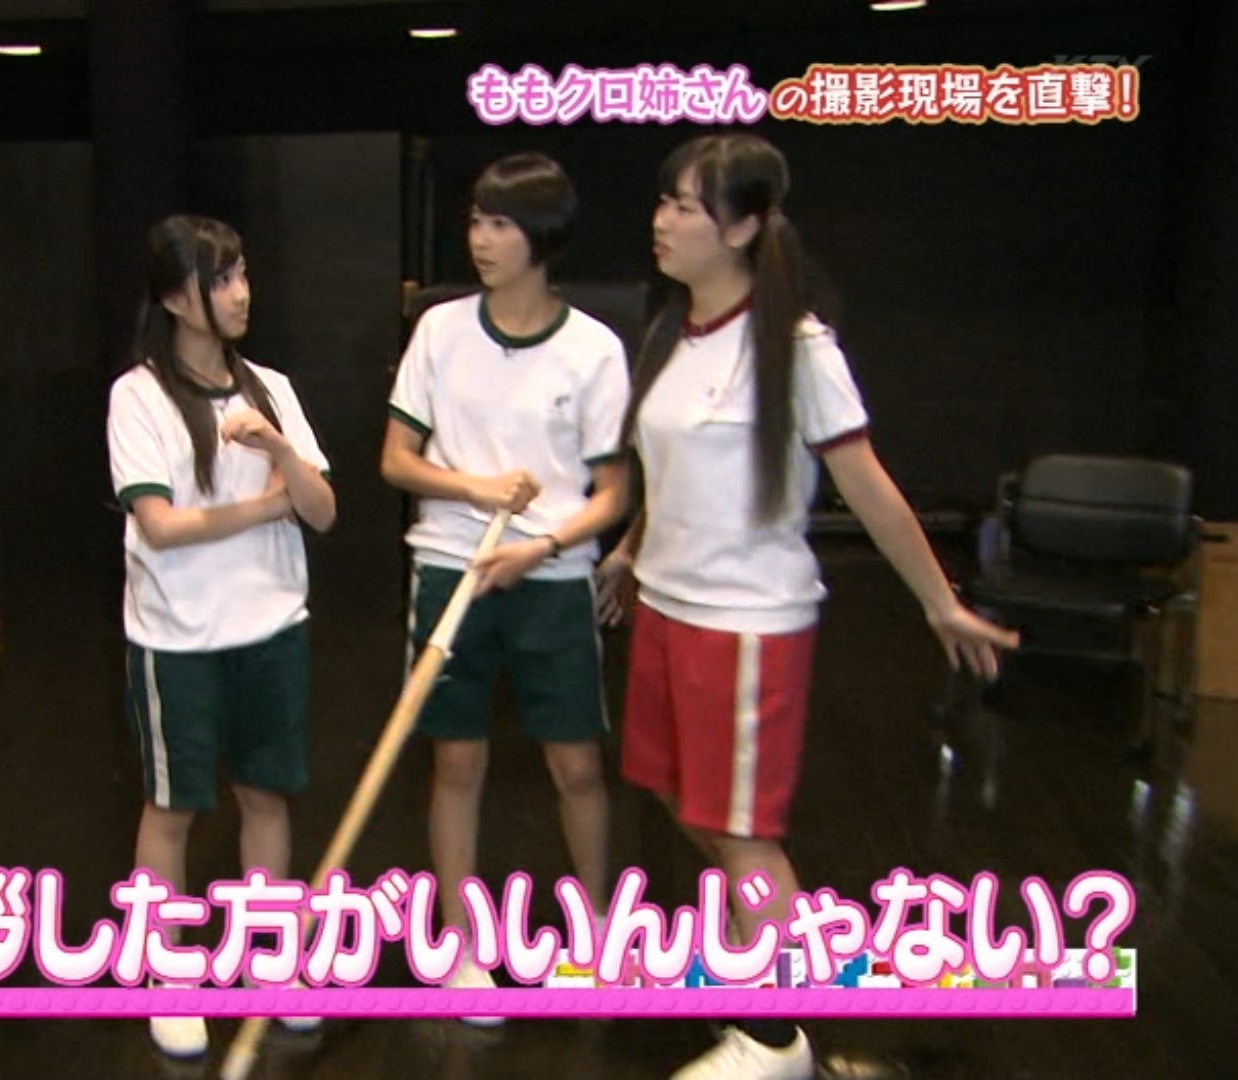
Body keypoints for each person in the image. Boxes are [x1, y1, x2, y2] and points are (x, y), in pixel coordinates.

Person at [597, 132, 1019, 1080]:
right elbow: (672, 470)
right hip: (667, 608)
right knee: (681, 801)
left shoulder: (797, 349)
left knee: (745, 835)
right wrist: (629, 551)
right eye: (663, 201)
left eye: (686, 207)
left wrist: (941, 604)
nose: (662, 221)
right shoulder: (669, 335)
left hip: (748, 625)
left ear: (744, 226)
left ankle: (778, 1037)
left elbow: (868, 487)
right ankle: (772, 953)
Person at [380, 152, 630, 1022]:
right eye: (476, 221)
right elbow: (396, 460)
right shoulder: (440, 331)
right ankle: (462, 948)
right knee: (456, 759)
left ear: (543, 238)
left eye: (500, 225)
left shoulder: (593, 349)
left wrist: (544, 545)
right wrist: (478, 489)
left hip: (551, 576)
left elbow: (614, 492)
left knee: (576, 764)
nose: (480, 240)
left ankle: (597, 942)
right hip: (450, 566)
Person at [107, 214, 336, 1057]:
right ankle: (166, 973)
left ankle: (271, 959)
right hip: (177, 638)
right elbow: (161, 526)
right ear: (176, 298)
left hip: (271, 628)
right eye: (222, 279)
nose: (242, 294)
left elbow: (323, 510)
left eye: (242, 275)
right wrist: (267, 504)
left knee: (266, 796)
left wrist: (279, 450)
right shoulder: (138, 396)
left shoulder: (270, 388)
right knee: (172, 806)